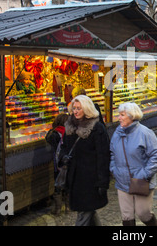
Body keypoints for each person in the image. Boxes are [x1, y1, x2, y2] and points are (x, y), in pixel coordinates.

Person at [60, 95, 110, 226]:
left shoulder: (97, 128)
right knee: (88, 211)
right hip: (75, 178)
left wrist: (102, 182)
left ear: (86, 109)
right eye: (74, 108)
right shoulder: (70, 127)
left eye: (79, 108)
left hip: (90, 180)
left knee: (84, 212)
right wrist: (64, 157)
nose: (75, 111)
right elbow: (64, 147)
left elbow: (103, 156)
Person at [110, 102, 157, 226]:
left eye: (122, 115)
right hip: (122, 181)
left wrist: (144, 174)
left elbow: (156, 155)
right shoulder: (116, 134)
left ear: (132, 116)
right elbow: (112, 153)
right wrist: (114, 169)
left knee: (144, 213)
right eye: (119, 115)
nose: (119, 118)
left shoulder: (145, 133)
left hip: (141, 180)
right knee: (127, 217)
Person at [45, 113, 69, 215]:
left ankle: (58, 209)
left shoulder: (54, 134)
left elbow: (47, 138)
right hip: (68, 162)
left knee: (57, 185)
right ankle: (68, 207)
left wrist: (52, 129)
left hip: (58, 164)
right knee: (67, 184)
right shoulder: (70, 132)